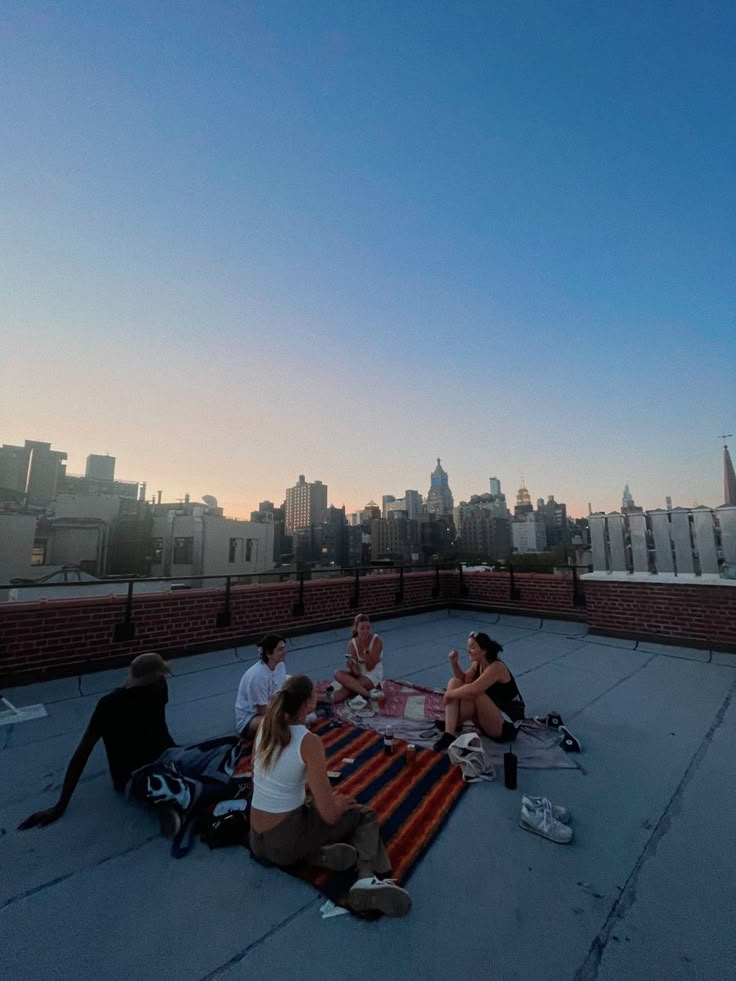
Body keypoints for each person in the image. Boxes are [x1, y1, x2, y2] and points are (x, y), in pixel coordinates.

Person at [249, 673, 411, 917]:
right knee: (362, 814)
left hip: (257, 840)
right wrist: (338, 804)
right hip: (285, 840)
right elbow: (330, 815)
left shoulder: (265, 727)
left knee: (310, 805)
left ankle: (317, 855)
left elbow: (262, 777)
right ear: (308, 703)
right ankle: (366, 879)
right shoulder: (308, 741)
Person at [18, 652, 231, 834]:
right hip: (136, 773)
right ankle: (196, 792)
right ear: (157, 677)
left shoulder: (157, 689)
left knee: (228, 744)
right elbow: (82, 753)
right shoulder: (109, 705)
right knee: (158, 783)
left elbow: (83, 751)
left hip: (170, 754)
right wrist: (60, 805)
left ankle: (183, 797)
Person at [433, 631, 526, 752]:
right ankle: (449, 733)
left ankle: (454, 721)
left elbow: (473, 690)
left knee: (474, 694)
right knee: (454, 682)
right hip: (490, 715)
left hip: (507, 725)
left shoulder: (497, 667)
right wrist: (454, 663)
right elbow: (463, 681)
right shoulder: (477, 663)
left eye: (472, 648)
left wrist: (448, 694)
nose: (468, 651)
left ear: (484, 650)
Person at [235, 634, 289, 738]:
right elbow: (263, 711)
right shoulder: (258, 676)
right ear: (269, 654)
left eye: (284, 648)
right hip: (251, 719)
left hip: (272, 706)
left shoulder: (280, 666)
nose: (285, 652)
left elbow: (280, 692)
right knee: (284, 722)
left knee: (301, 685)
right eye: (280, 649)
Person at [332, 614, 384, 704]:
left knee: (343, 693)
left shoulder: (377, 640)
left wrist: (365, 648)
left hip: (373, 674)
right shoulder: (352, 644)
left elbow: (370, 667)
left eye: (368, 628)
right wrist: (351, 666)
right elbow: (357, 673)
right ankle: (368, 694)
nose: (366, 631)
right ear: (356, 629)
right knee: (337, 673)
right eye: (362, 628)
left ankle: (316, 699)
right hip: (361, 674)